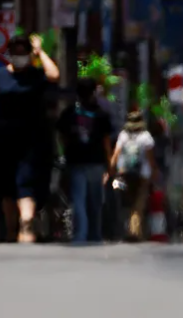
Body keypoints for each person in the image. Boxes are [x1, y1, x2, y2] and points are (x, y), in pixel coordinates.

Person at [0, 34, 60, 243]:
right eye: (15, 52)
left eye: (24, 52)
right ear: (9, 54)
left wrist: (40, 52)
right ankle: (12, 229)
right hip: (3, 140)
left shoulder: (36, 75)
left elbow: (55, 75)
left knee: (26, 182)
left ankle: (27, 224)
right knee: (7, 187)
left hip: (32, 142)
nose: (19, 56)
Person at [56, 78, 113, 243]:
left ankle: (80, 235)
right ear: (94, 92)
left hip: (76, 161)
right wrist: (109, 165)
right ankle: (94, 235)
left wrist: (65, 150)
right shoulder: (101, 114)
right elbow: (106, 141)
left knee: (78, 200)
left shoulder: (69, 113)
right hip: (96, 163)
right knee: (95, 201)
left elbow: (60, 134)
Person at [111, 111, 159, 241]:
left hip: (123, 174)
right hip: (142, 175)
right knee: (138, 204)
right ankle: (133, 232)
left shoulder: (123, 135)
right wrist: (154, 171)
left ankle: (127, 230)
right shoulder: (146, 136)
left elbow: (116, 154)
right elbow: (150, 158)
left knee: (126, 202)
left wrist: (110, 170)